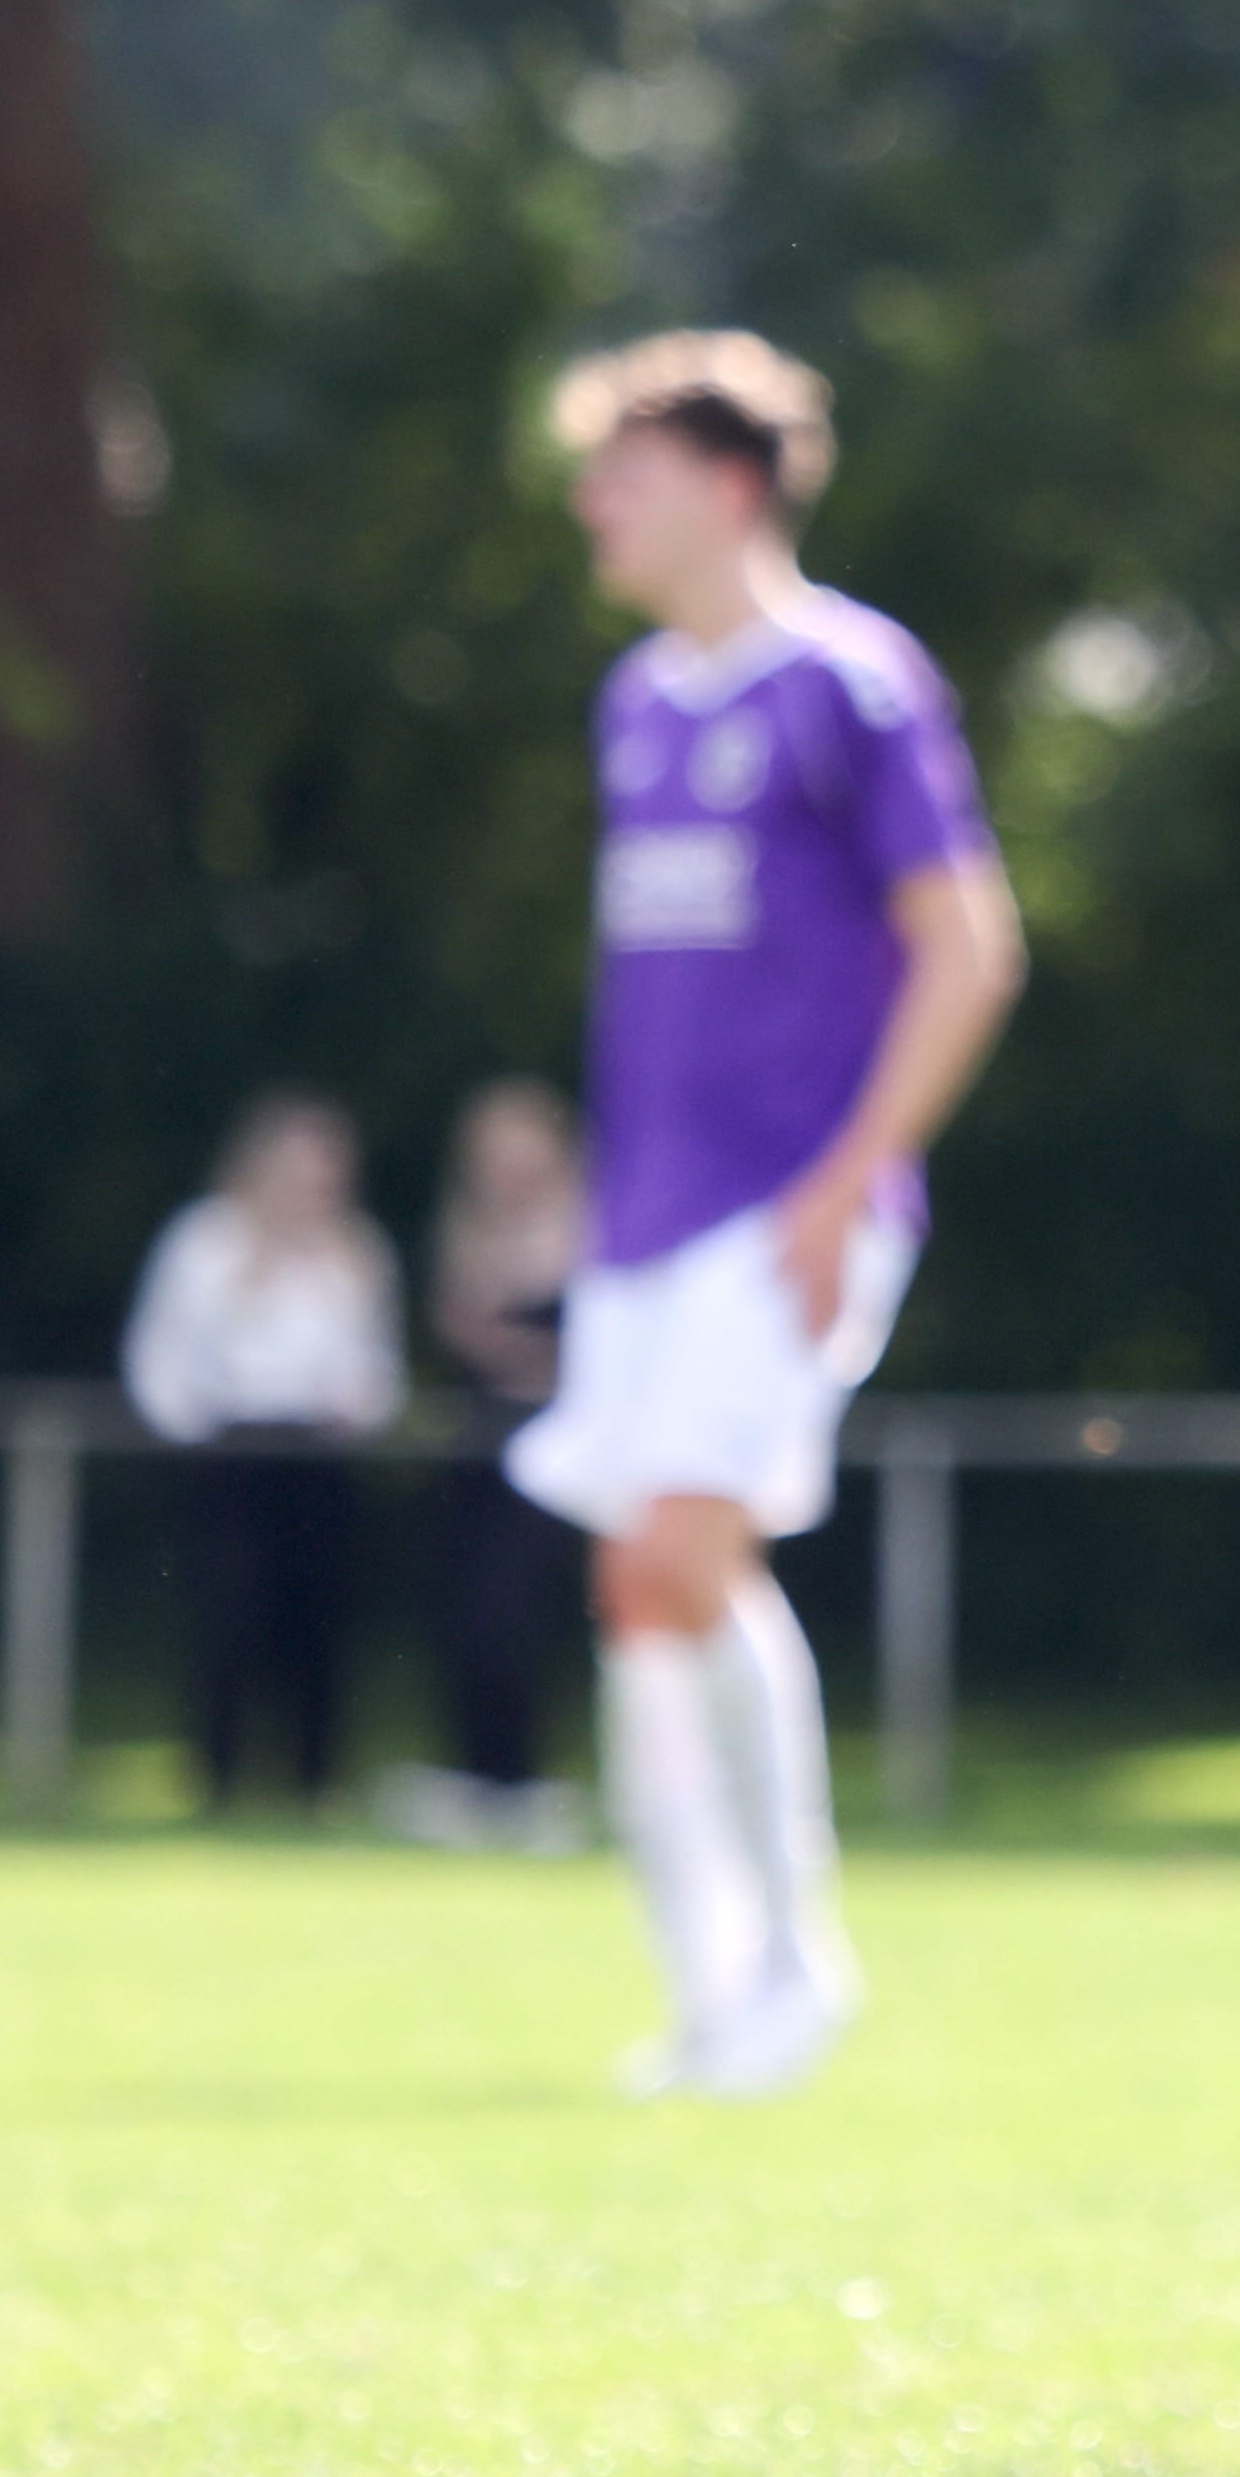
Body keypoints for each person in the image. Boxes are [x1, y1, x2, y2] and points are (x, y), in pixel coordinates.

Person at [509, 333, 1026, 2099]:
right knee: (640, 1576)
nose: (594, 500)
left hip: (790, 1206)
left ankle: (795, 1963)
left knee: (680, 1541)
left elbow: (968, 947)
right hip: (646, 1225)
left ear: (731, 486)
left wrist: (848, 1175)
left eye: (628, 469)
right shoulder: (636, 703)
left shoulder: (849, 685)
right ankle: (717, 1990)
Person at [119, 1088, 406, 1815]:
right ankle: (217, 1780)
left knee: (318, 1622)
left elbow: (379, 1366)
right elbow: (159, 1354)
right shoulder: (203, 1241)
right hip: (230, 1455)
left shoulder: (357, 1251)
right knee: (228, 1615)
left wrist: (357, 1411)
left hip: (318, 1456)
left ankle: (315, 1783)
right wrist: (190, 1429)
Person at [391, 1081, 594, 1854]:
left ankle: (530, 1778)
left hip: (558, 1455)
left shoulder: (591, 1224)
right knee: (468, 1612)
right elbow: (459, 1331)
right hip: (479, 1454)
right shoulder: (464, 1230)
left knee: (525, 1613)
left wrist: (528, 1355)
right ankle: (479, 1777)